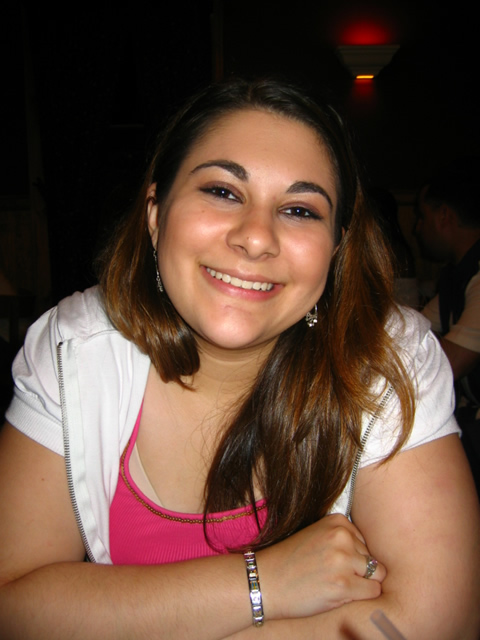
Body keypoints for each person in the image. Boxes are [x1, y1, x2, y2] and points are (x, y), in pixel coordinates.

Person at [0, 78, 479, 640]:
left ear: (336, 248)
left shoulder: (389, 361)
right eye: (223, 191)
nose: (256, 238)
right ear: (155, 213)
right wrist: (264, 583)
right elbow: (13, 606)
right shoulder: (71, 351)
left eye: (299, 210)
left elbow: (439, 620)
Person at [415, 157, 480, 492]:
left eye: (422, 217)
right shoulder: (457, 274)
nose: (417, 228)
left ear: (444, 217)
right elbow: (415, 327)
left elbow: (450, 363)